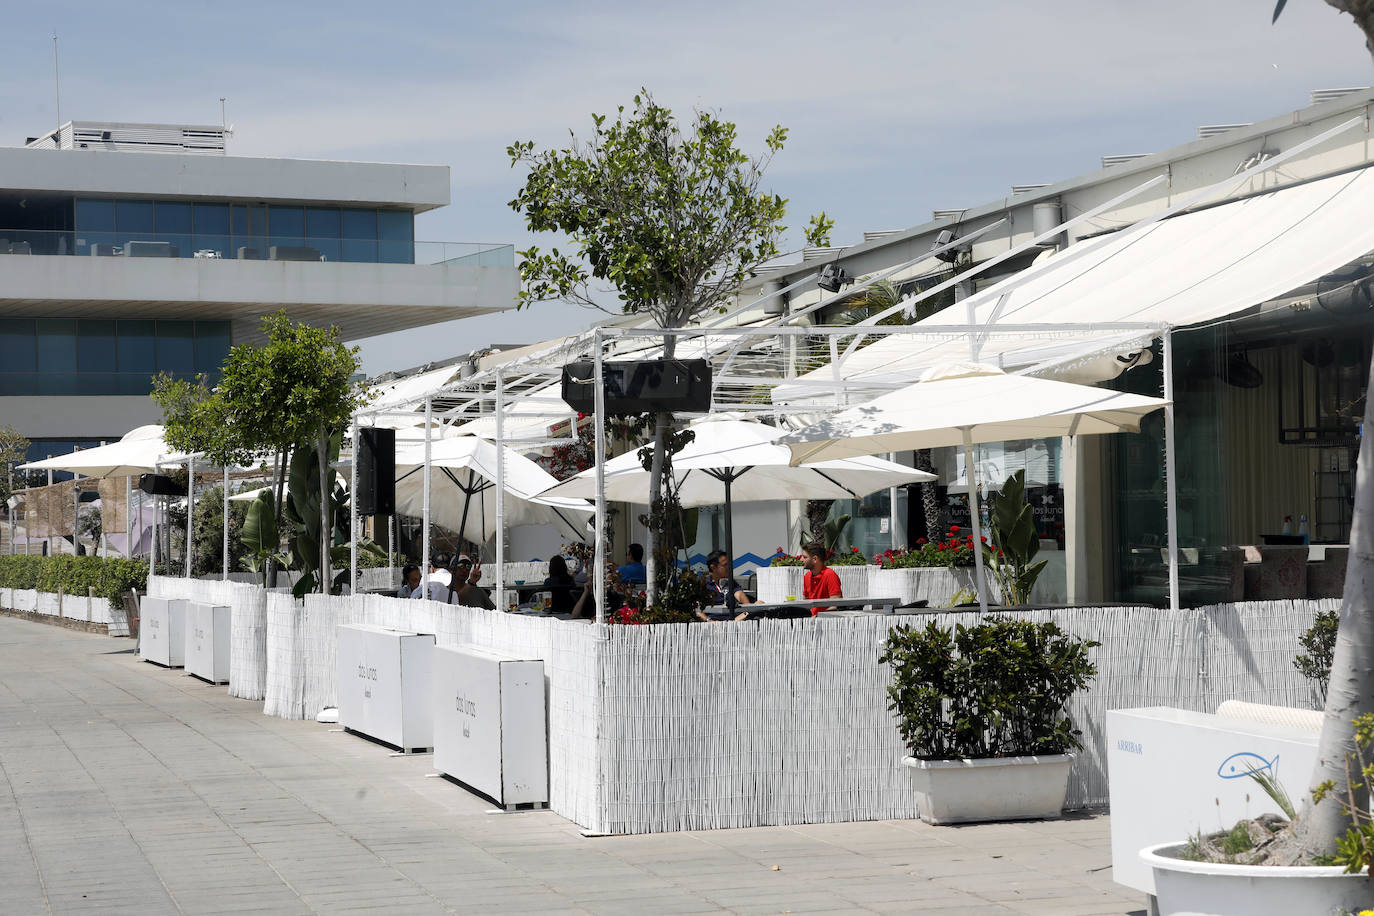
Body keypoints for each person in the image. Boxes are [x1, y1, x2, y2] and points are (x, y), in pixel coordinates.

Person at [697, 549, 751, 621]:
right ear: (713, 567)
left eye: (729, 564)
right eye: (725, 565)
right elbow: (697, 609)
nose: (729, 567)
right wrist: (709, 621)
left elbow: (741, 596)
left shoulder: (731, 582)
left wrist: (745, 613)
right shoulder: (703, 584)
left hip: (734, 621)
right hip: (714, 623)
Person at [801, 540, 842, 615]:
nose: (801, 560)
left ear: (815, 559)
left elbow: (835, 605)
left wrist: (817, 617)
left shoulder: (830, 575)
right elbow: (805, 603)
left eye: (804, 557)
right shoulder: (807, 576)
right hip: (811, 620)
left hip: (826, 621)